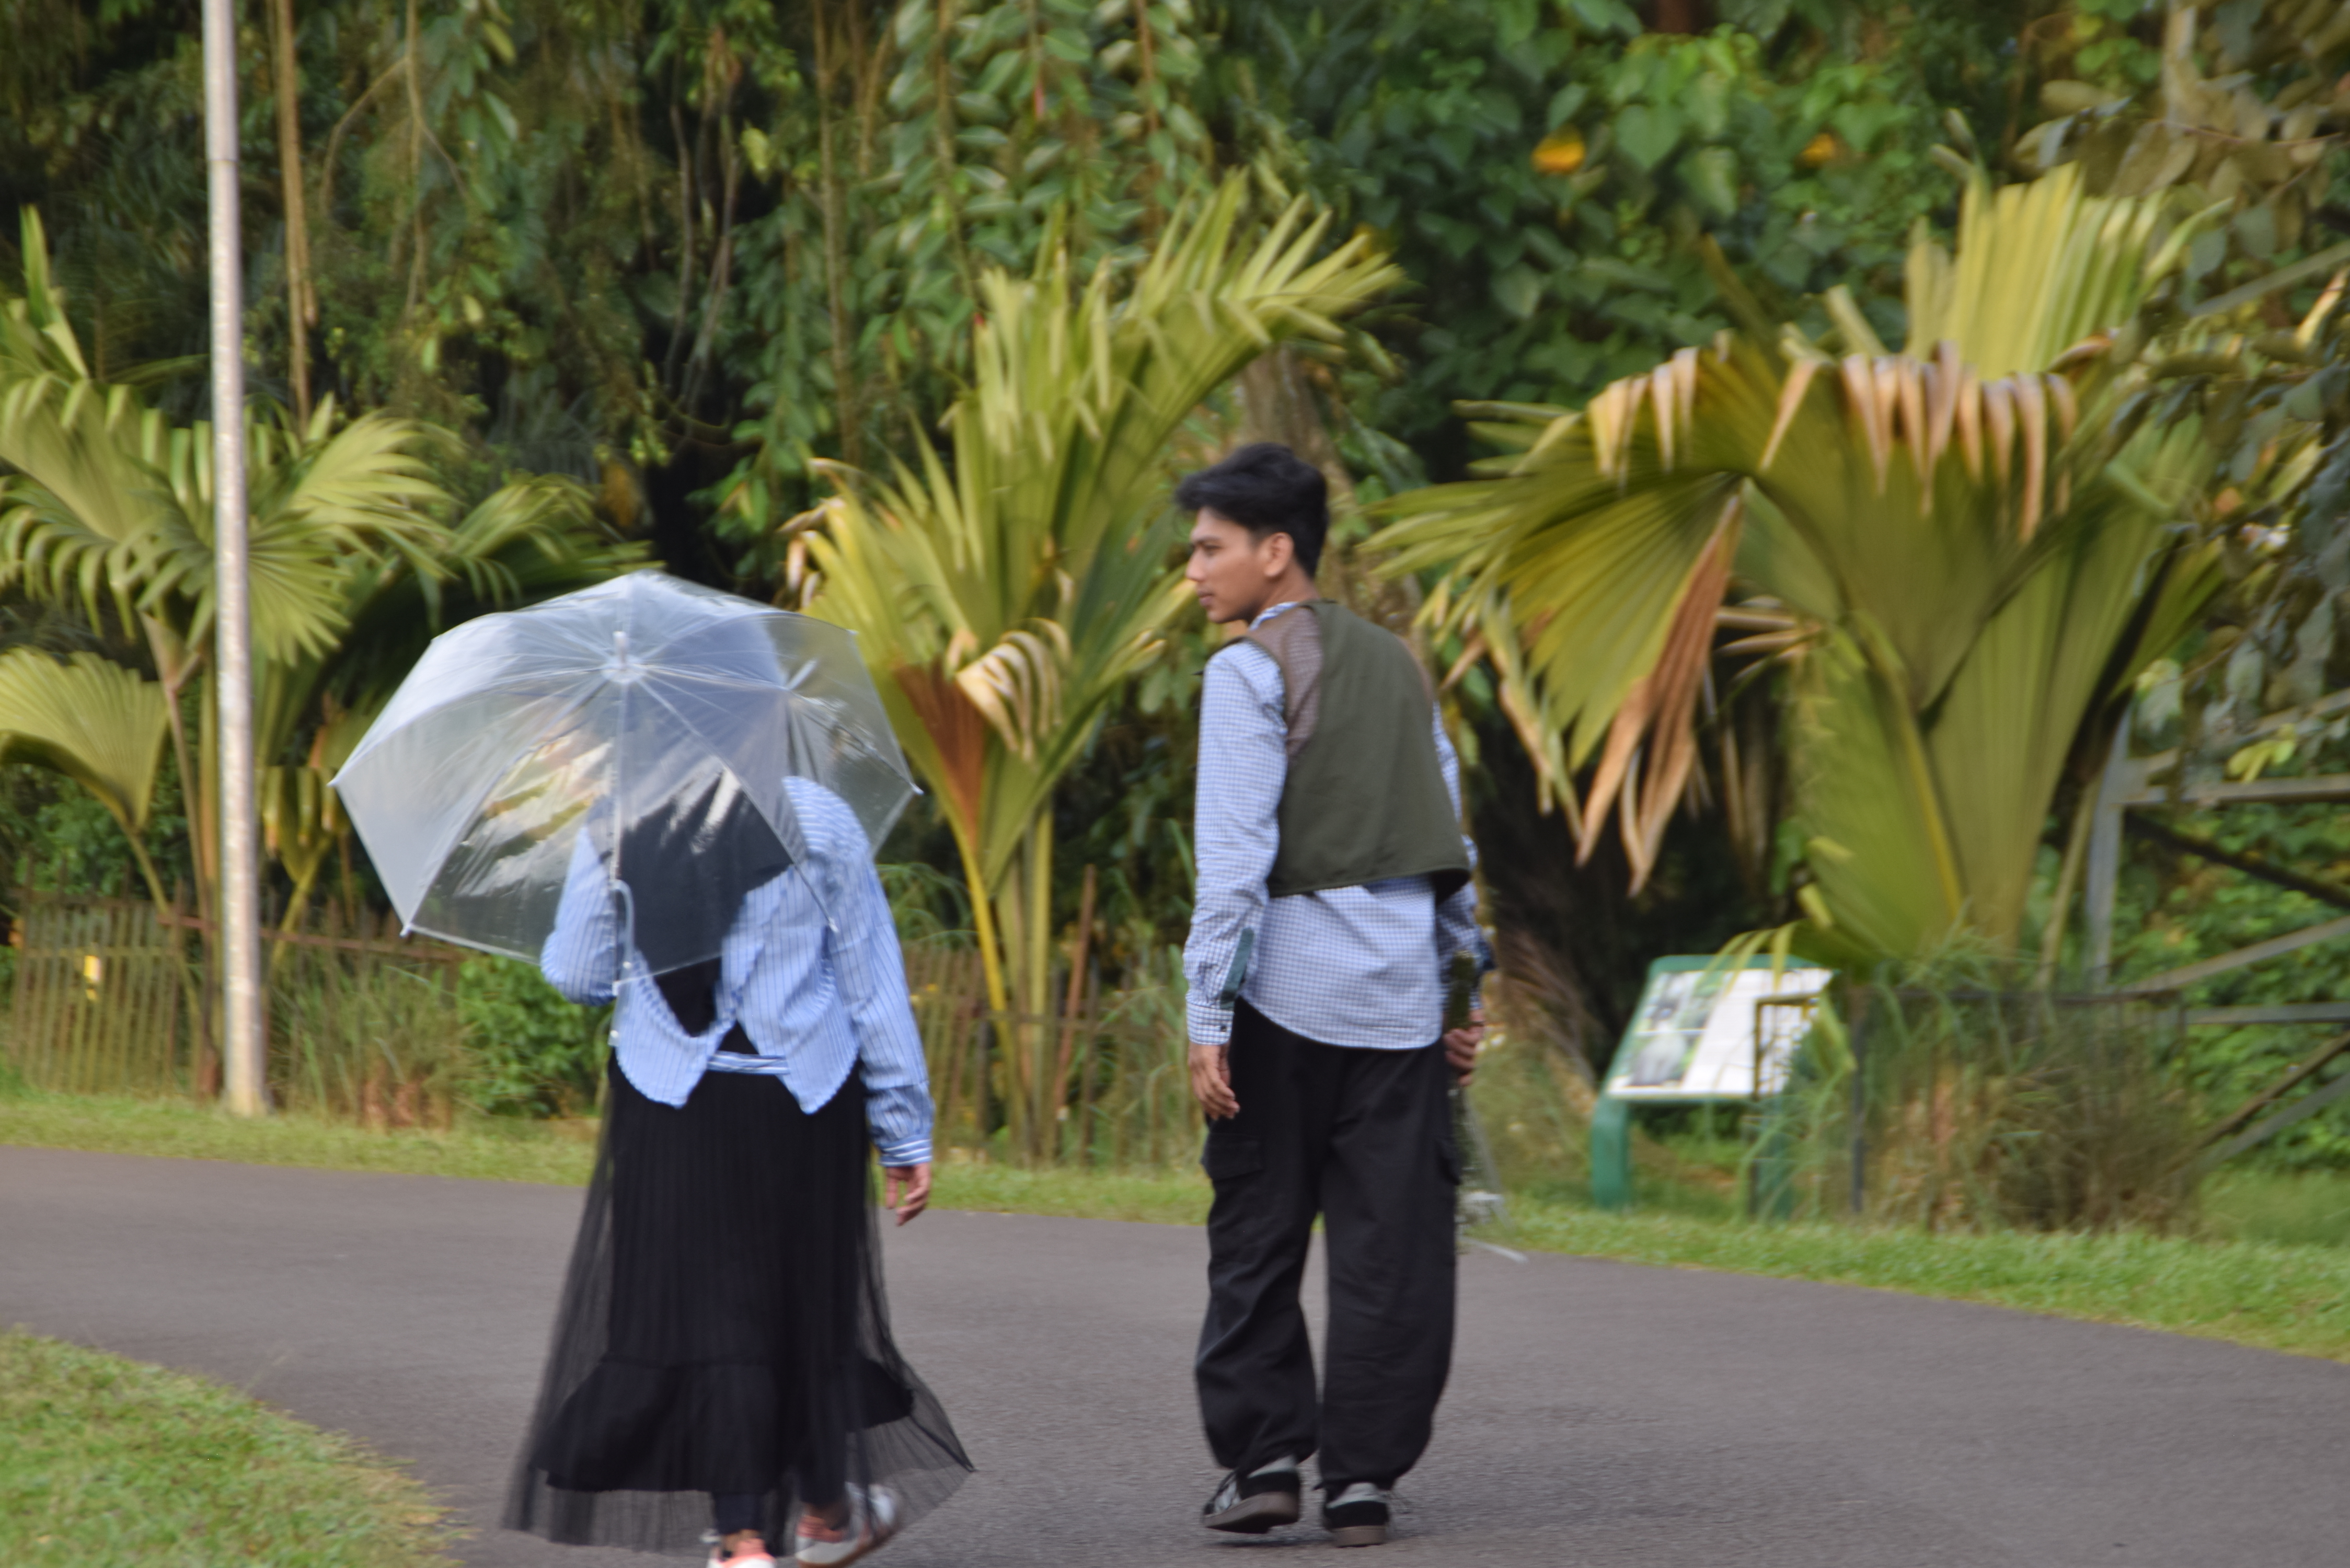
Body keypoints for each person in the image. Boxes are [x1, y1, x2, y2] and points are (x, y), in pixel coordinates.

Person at [504, 777, 970, 1567]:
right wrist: (903, 1128)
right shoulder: (820, 818)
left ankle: (742, 1539)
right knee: (804, 1311)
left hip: (672, 1106)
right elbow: (871, 983)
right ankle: (826, 1513)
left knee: (701, 1319)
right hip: (803, 1101)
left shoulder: (624, 816)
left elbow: (579, 975)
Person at [1177, 442, 1489, 1549]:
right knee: (1392, 1253)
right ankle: (1362, 1483)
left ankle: (1265, 1462)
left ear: (1276, 551)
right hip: (1400, 1007)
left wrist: (1207, 1017)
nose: (1192, 572)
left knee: (1256, 1236)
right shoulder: (1399, 665)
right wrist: (1461, 994)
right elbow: (1448, 844)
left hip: (1280, 1006)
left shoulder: (1247, 672)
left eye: (1209, 549)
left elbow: (1232, 867)